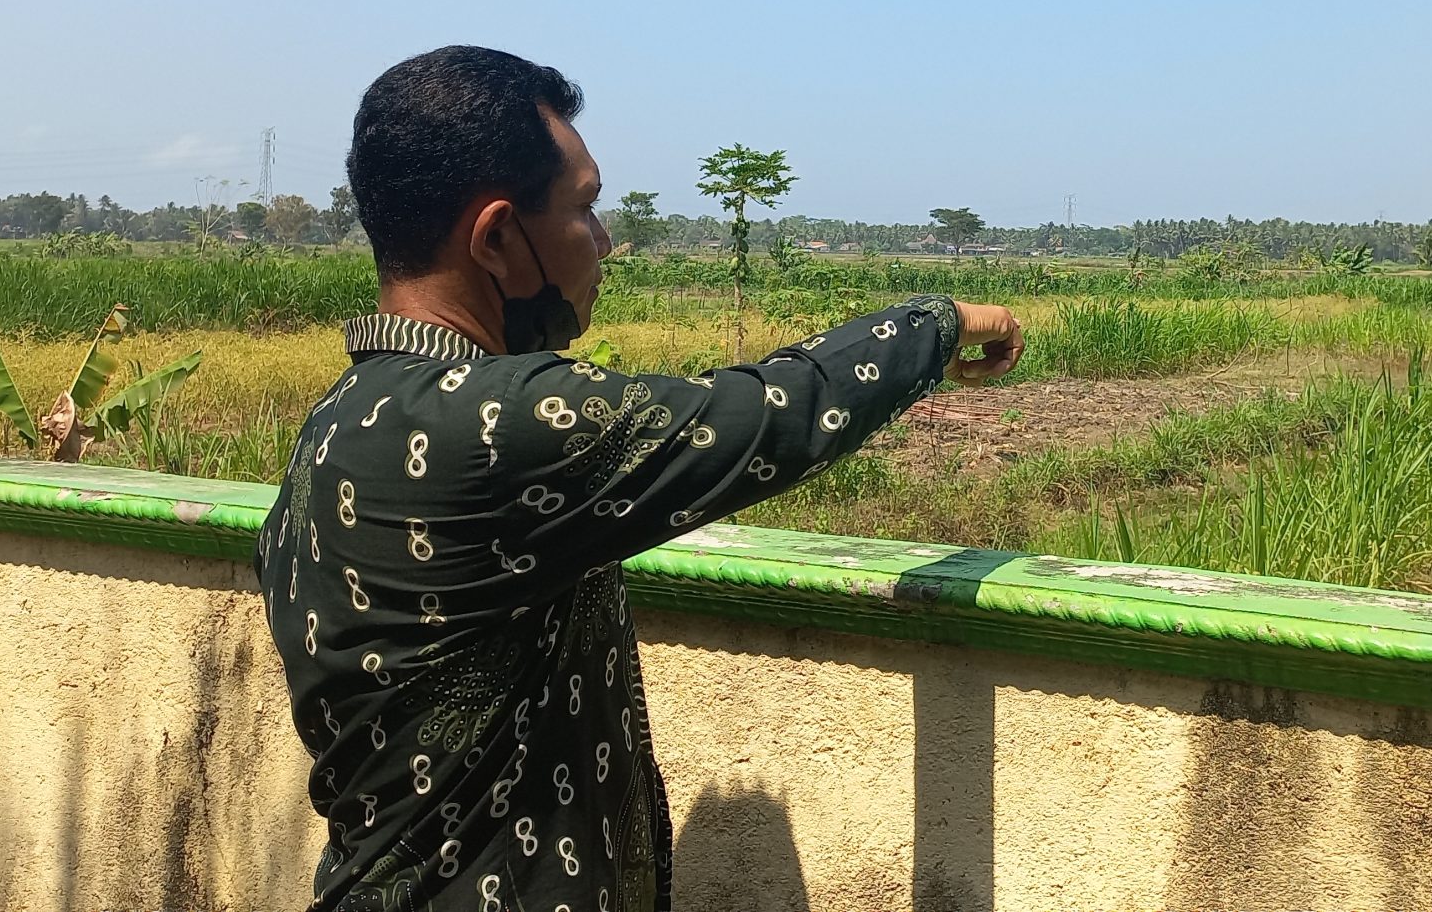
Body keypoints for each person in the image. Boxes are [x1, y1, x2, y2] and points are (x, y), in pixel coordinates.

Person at [255, 46, 1023, 911]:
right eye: (585, 208)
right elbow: (767, 413)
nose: (606, 241)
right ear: (498, 237)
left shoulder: (339, 416)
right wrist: (939, 322)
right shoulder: (493, 421)